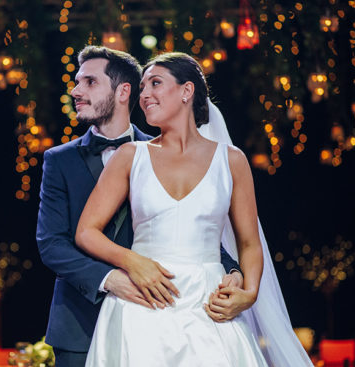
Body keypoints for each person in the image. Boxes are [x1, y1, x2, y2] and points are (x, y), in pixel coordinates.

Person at [75, 52, 313, 366]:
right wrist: (133, 262)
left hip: (209, 305)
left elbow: (249, 243)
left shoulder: (232, 160)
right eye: (142, 87)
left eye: (155, 84)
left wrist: (249, 293)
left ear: (187, 91)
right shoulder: (130, 155)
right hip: (143, 302)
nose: (144, 94)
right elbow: (86, 232)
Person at [36, 46, 247, 367]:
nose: (76, 91)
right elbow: (51, 244)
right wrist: (113, 278)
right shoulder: (59, 160)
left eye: (89, 82)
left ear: (123, 91)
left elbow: (190, 225)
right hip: (79, 321)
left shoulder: (162, 153)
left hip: (168, 310)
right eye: (76, 82)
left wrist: (232, 270)